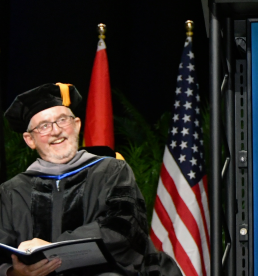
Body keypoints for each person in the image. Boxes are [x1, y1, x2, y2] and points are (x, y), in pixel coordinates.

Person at [0, 83, 181, 276]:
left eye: (62, 120)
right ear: (30, 140)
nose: (55, 131)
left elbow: (124, 226)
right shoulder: (12, 191)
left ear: (77, 125)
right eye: (44, 126)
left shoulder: (111, 170)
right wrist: (13, 272)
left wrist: (55, 247)